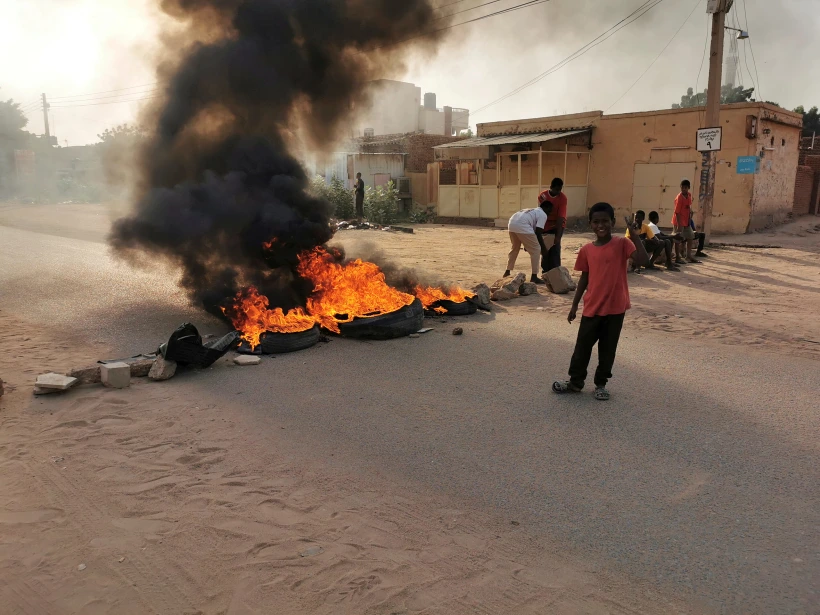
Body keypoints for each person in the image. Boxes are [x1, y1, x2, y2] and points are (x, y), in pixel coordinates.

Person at [552, 202, 649, 401]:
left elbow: (643, 261)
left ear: (613, 222)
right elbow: (584, 278)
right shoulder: (586, 250)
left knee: (607, 350)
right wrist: (574, 305)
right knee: (582, 348)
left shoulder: (623, 244)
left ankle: (601, 384)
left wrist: (635, 234)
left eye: (605, 221)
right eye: (596, 222)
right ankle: (575, 382)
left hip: (615, 308)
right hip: (592, 307)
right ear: (590, 224)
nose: (601, 225)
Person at [503, 200, 554, 285]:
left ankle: (507, 271)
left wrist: (527, 244)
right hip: (522, 226)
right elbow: (538, 232)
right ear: (546, 208)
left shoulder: (532, 210)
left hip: (512, 225)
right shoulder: (543, 214)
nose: (550, 213)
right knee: (536, 250)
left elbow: (531, 233)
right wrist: (543, 249)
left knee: (515, 248)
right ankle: (534, 277)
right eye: (550, 210)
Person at [537, 178, 568, 273]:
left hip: (557, 223)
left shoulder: (562, 198)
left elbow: (560, 217)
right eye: (556, 190)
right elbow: (541, 212)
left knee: (555, 247)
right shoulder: (543, 196)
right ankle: (545, 271)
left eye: (560, 190)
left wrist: (557, 236)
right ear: (551, 187)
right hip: (546, 223)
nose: (558, 192)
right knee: (545, 246)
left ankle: (556, 270)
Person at [672, 179, 700, 263]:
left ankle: (688, 256)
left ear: (688, 188)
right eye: (682, 187)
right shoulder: (679, 198)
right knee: (677, 239)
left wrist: (690, 215)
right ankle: (677, 257)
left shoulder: (689, 195)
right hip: (679, 221)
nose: (684, 189)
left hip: (687, 221)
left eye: (685, 187)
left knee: (691, 236)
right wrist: (679, 225)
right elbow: (677, 212)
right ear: (680, 187)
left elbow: (688, 206)